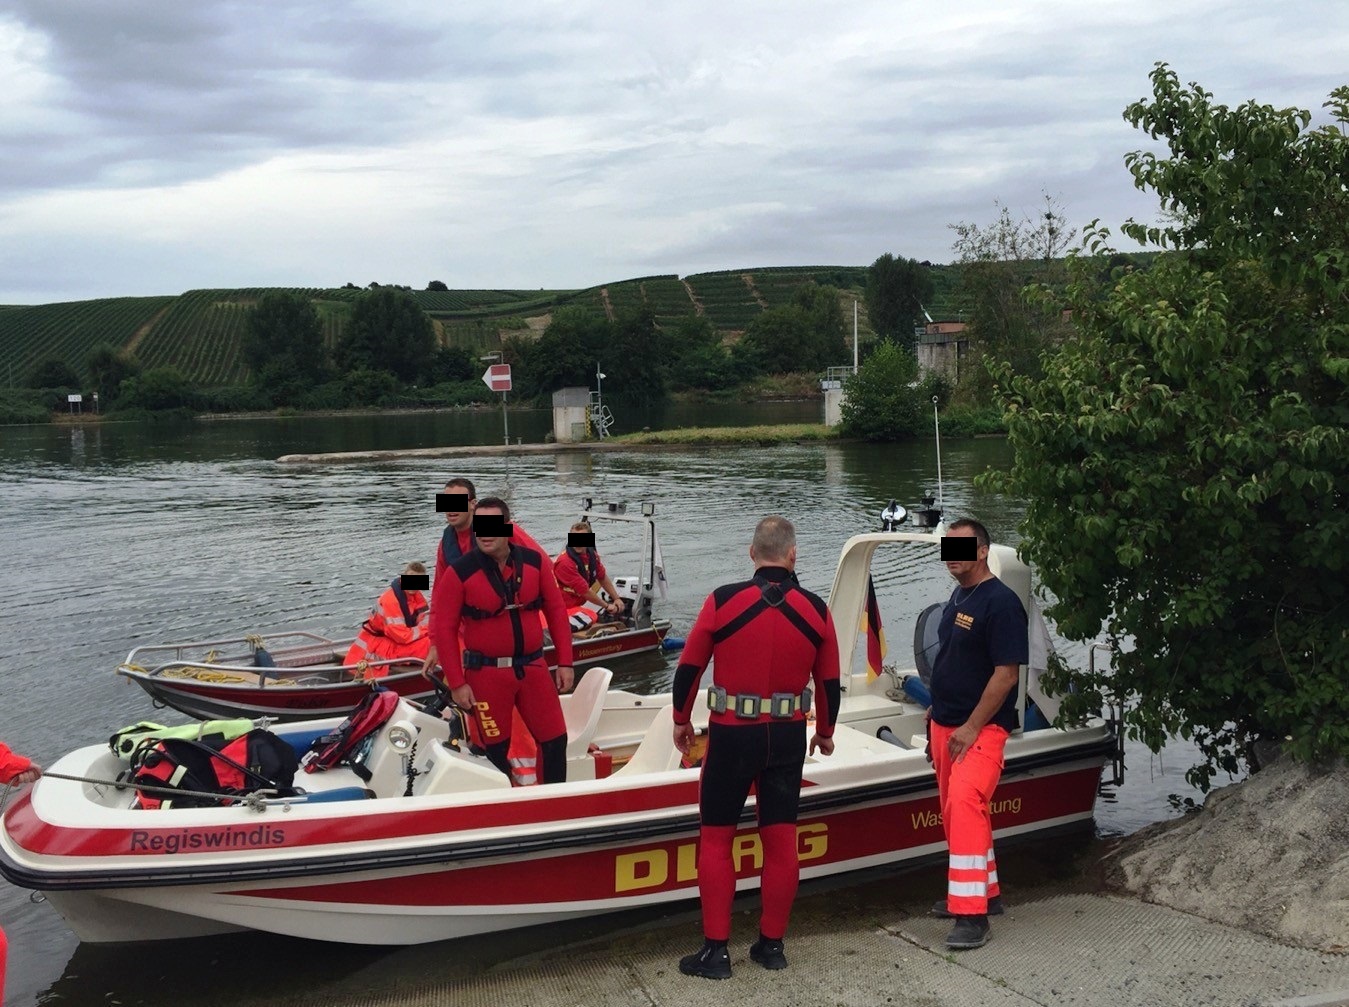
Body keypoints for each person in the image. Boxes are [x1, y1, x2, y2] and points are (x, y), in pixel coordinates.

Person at [671, 516, 839, 980]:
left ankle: (715, 952)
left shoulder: (722, 601)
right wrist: (825, 731)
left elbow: (688, 668)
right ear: (793, 555)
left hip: (732, 735)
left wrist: (681, 720)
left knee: (717, 838)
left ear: (751, 554)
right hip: (786, 736)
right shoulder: (817, 609)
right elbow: (828, 681)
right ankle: (770, 946)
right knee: (781, 840)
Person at [926, 517, 1028, 950]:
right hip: (944, 722)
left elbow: (1006, 675)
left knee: (966, 804)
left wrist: (971, 726)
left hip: (980, 729)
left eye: (962, 549)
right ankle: (983, 891)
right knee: (956, 814)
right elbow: (954, 656)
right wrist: (938, 708)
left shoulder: (1001, 603)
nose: (953, 556)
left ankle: (972, 917)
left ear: (983, 552)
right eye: (948, 548)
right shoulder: (958, 595)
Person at [429, 497, 576, 785]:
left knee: (556, 741)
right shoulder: (459, 573)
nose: (485, 533)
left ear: (508, 528)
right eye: (480, 527)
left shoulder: (535, 563)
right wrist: (457, 683)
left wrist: (566, 663)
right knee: (494, 752)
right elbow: (444, 629)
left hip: (533, 669)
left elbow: (557, 612)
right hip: (487, 676)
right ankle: (502, 807)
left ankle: (554, 806)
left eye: (493, 526)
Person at [343, 562, 433, 670]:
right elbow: (402, 636)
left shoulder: (416, 596)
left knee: (438, 638)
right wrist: (428, 630)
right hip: (382, 645)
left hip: (396, 639)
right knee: (431, 644)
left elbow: (426, 620)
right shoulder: (391, 601)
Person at [553, 521, 624, 630]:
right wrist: (606, 605)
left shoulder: (592, 556)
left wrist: (616, 598)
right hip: (562, 608)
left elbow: (602, 577)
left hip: (577, 606)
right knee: (591, 615)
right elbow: (585, 591)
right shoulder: (565, 563)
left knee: (591, 615)